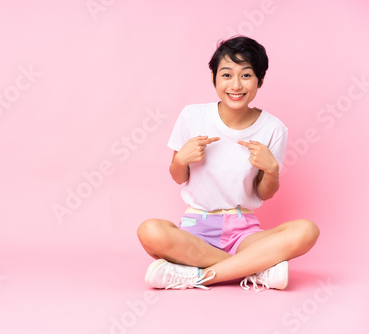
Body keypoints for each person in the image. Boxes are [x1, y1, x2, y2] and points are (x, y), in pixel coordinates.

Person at [137, 36, 320, 291]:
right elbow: (178, 176)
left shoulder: (274, 128)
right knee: (150, 231)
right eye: (226, 75)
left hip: (244, 232)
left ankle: (196, 276)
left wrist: (272, 170)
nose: (236, 85)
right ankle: (254, 270)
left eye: (246, 75)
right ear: (214, 77)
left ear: (260, 80)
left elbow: (264, 193)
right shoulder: (193, 115)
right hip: (196, 229)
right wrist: (181, 159)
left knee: (306, 231)